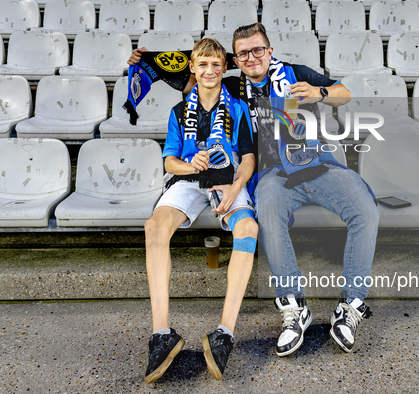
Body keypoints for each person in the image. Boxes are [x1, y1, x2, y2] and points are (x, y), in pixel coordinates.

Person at [129, 22, 378, 357]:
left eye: (257, 49)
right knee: (268, 213)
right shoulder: (233, 86)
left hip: (316, 163)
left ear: (269, 51)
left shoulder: (296, 73)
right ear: (237, 59)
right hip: (272, 173)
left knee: (364, 208)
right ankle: (294, 308)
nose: (251, 57)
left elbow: (344, 93)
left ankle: (350, 305)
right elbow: (195, 80)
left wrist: (319, 93)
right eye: (243, 53)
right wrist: (146, 63)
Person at [142, 38, 257, 383]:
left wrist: (236, 188)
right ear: (192, 67)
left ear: (225, 69)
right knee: (154, 227)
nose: (209, 71)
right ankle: (162, 335)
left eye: (216, 65)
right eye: (202, 64)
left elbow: (249, 158)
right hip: (191, 181)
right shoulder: (179, 113)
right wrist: (190, 165)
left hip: (227, 181)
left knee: (248, 230)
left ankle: (224, 333)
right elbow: (169, 162)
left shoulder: (237, 108)